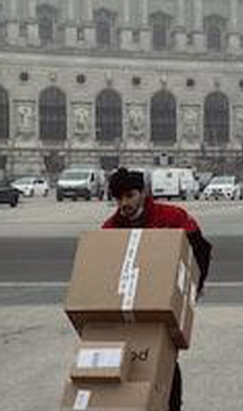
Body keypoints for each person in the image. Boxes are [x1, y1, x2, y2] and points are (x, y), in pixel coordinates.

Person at [102, 167, 213, 411]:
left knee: (165, 357)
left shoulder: (172, 217)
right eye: (119, 198)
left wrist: (197, 284)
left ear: (142, 193)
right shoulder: (110, 228)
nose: (124, 203)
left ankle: (171, 406)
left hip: (162, 301)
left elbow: (202, 249)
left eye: (129, 195)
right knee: (131, 359)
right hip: (127, 306)